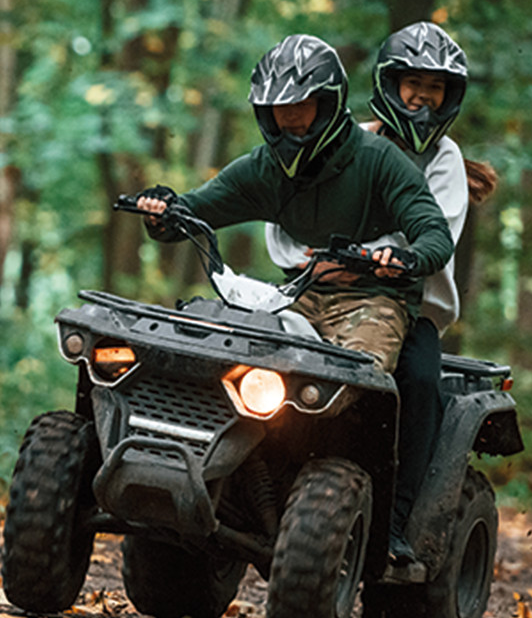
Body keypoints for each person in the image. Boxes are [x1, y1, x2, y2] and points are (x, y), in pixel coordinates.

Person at [135, 33, 454, 552]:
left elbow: (433, 231)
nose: (291, 118)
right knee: (234, 351)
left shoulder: (378, 161)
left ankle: (382, 519)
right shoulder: (264, 169)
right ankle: (232, 474)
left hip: (375, 300)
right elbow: (196, 210)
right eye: (278, 108)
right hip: (300, 293)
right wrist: (164, 211)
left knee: (359, 387)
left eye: (302, 105)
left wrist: (411, 257)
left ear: (327, 102)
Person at [263, 21, 497, 567]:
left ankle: (397, 521)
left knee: (417, 382)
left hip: (407, 309)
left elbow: (429, 235)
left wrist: (361, 258)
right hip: (315, 291)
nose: (422, 95)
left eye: (434, 87)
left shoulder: (444, 161)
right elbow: (291, 208)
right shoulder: (344, 141)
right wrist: (306, 259)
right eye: (412, 82)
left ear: (448, 96)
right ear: (389, 84)